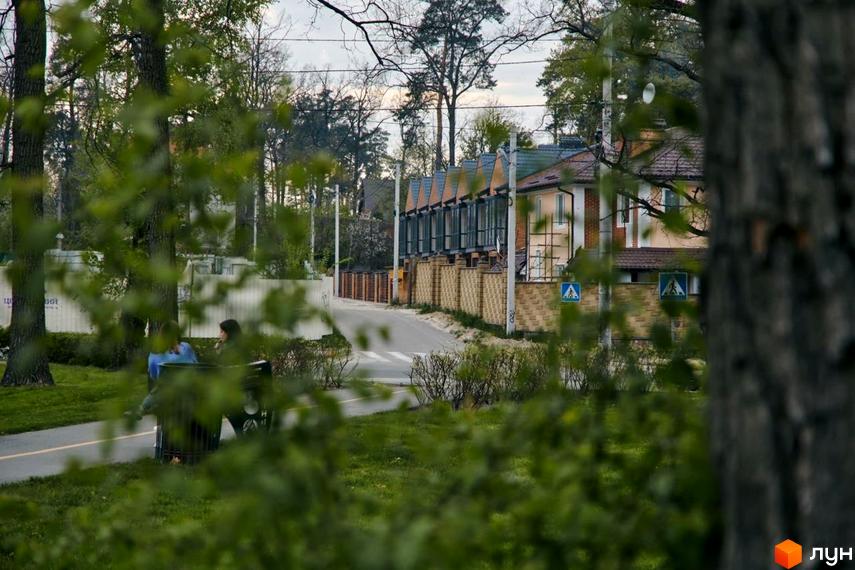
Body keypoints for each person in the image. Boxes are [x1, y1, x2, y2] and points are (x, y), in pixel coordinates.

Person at [131, 321, 198, 418]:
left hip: (166, 390)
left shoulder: (156, 352)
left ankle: (142, 408)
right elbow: (196, 364)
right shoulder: (186, 348)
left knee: (159, 389)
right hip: (190, 388)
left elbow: (153, 375)